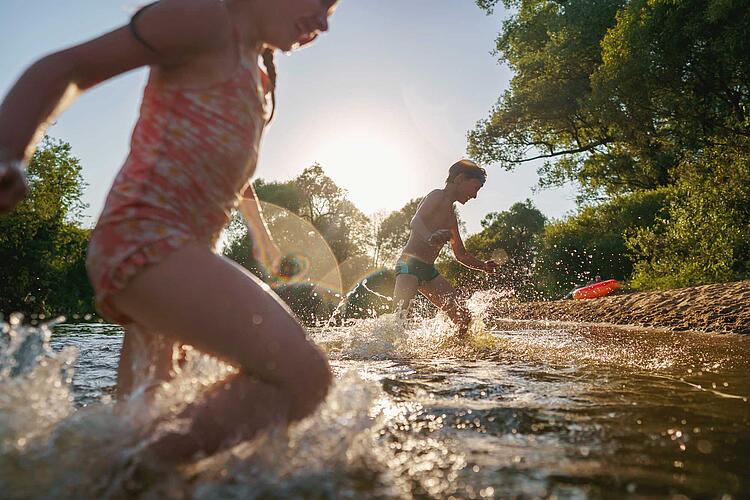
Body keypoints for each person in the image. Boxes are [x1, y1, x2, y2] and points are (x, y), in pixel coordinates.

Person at [0, 0, 339, 461]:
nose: (323, 21)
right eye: (321, 2)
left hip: (177, 259)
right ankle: (128, 477)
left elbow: (236, 176)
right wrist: (9, 152)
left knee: (143, 416)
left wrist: (262, 237)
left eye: (332, 12)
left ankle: (105, 477)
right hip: (145, 241)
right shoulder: (202, 20)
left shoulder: (257, 73)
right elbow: (69, 68)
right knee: (304, 377)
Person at [392, 159, 499, 336]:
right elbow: (415, 221)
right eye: (475, 188)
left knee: (464, 318)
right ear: (460, 179)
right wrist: (430, 237)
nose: (474, 196)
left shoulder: (451, 217)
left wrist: (483, 265)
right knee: (400, 319)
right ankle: (389, 356)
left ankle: (458, 354)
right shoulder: (436, 196)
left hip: (428, 271)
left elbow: (461, 254)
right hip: (407, 265)